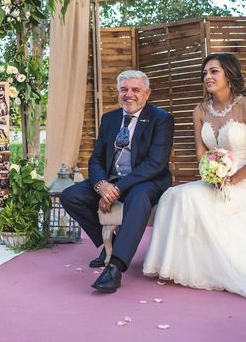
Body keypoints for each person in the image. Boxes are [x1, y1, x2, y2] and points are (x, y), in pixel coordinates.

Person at [143, 53, 246, 299]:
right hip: (214, 180)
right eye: (205, 72)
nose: (207, 76)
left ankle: (226, 268)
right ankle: (176, 266)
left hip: (245, 181)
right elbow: (201, 152)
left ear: (229, 74)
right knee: (173, 195)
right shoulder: (199, 110)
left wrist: (232, 180)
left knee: (189, 198)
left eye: (214, 71)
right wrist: (210, 174)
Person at [60, 70, 174, 293]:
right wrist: (101, 185)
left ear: (147, 94)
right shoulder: (109, 119)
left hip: (146, 179)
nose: (129, 94)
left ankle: (115, 267)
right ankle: (109, 243)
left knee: (139, 197)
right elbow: (97, 158)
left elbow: (155, 163)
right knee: (70, 196)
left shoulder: (161, 119)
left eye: (135, 90)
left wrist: (117, 190)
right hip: (111, 180)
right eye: (124, 89)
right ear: (118, 92)